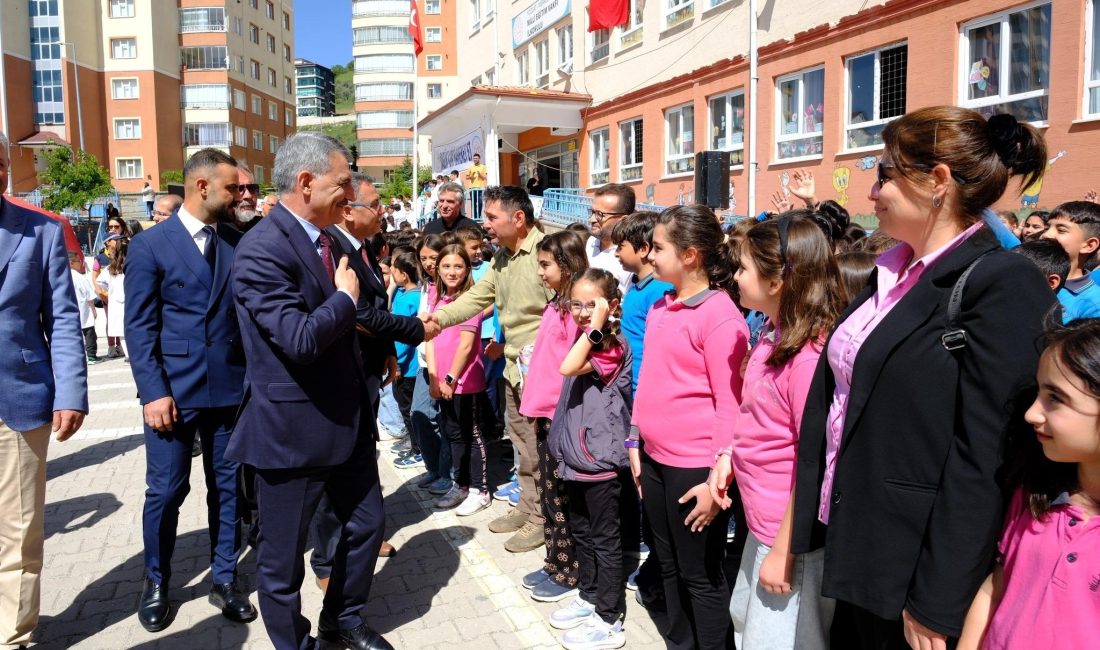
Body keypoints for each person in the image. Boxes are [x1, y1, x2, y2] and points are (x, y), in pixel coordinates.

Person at [790, 108, 1055, 650]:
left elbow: (987, 452)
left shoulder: (1002, 282)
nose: (872, 192)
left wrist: (939, 596)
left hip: (913, 567)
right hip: (859, 540)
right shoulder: (891, 272)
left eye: (885, 173)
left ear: (937, 181)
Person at [228, 132, 393, 650]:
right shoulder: (261, 249)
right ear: (306, 182)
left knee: (367, 526)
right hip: (293, 433)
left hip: (346, 422)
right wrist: (344, 301)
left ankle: (343, 620)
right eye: (342, 182)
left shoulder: (331, 238)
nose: (351, 193)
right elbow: (299, 339)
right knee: (281, 563)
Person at [124, 148, 255, 632]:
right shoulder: (151, 245)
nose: (238, 196)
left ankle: (225, 578)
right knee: (166, 491)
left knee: (226, 491)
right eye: (230, 188)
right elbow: (139, 328)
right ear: (202, 188)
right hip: (172, 397)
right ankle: (156, 581)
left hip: (227, 390)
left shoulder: (234, 243)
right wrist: (153, 392)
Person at [711, 213, 846, 649]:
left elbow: (816, 461)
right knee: (747, 623)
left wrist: (785, 552)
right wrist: (729, 457)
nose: (735, 276)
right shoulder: (773, 333)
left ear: (777, 281)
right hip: (764, 524)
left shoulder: (807, 359)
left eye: (743, 268)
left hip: (791, 541)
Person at [628, 204, 750, 649]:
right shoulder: (663, 306)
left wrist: (719, 476)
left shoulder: (719, 316)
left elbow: (731, 403)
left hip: (695, 469)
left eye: (658, 247)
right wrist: (635, 438)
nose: (650, 255)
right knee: (667, 563)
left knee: (700, 574)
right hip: (655, 461)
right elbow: (651, 384)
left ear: (691, 255)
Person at [422, 186, 555, 554]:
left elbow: (563, 314)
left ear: (518, 218)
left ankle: (543, 519)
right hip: (512, 369)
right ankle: (528, 508)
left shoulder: (548, 253)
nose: (486, 224)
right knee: (520, 445)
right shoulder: (501, 259)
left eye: (493, 217)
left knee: (539, 449)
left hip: (541, 373)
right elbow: (476, 299)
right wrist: (435, 320)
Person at [310, 173, 425, 589]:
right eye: (374, 204)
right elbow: (355, 313)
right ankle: (325, 560)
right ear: (348, 210)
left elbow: (375, 303)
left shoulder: (363, 246)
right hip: (344, 375)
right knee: (336, 467)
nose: (382, 212)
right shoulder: (331, 250)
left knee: (364, 459)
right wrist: (413, 329)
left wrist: (389, 351)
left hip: (368, 372)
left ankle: (366, 533)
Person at [957, 319, 1100, 650]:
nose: (1032, 413)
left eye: (1056, 399)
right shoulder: (1035, 494)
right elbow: (997, 586)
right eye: (1039, 392)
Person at [0, 129, 88, 650]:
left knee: (19, 530)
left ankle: (13, 636)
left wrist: (71, 393)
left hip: (19, 401)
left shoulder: (40, 232)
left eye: (1, 164)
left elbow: (62, 319)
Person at [548, 268, 633, 650]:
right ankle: (589, 594)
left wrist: (596, 326)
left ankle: (609, 618)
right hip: (575, 461)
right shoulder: (587, 342)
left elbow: (567, 367)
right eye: (576, 304)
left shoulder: (611, 346)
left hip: (600, 464)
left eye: (591, 304)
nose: (582, 312)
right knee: (581, 533)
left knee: (605, 541)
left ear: (611, 305)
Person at [519, 230, 590, 602]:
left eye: (545, 265)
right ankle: (554, 561)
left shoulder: (576, 311)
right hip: (546, 414)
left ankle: (568, 571)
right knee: (549, 494)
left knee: (560, 497)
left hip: (561, 417)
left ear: (567, 264)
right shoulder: (556, 305)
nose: (541, 272)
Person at [426, 244, 490, 514]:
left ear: (468, 269)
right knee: (453, 435)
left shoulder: (470, 300)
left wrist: (450, 378)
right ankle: (460, 484)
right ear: (437, 269)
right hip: (441, 380)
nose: (452, 272)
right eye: (446, 266)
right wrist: (433, 377)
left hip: (464, 380)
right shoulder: (435, 297)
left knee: (471, 434)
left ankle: (480, 489)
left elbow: (466, 345)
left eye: (458, 266)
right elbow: (429, 340)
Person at [611, 212, 673, 391]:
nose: (616, 253)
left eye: (621, 246)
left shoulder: (660, 290)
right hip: (627, 383)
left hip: (642, 387)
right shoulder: (636, 284)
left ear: (644, 249)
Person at [1041, 201, 1100, 321]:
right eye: (1048, 227)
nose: (1046, 235)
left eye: (1061, 230)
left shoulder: (1094, 305)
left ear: (1089, 245)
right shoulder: (1030, 272)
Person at [587, 184, 634, 295]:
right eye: (592, 212)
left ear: (623, 219)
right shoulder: (590, 242)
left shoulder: (630, 256)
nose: (592, 219)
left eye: (600, 214)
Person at [96, 234, 129, 361]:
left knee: (122, 332)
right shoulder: (130, 264)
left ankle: (128, 355)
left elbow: (99, 282)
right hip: (127, 300)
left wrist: (107, 293)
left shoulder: (111, 268)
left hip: (117, 301)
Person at [70, 251, 100, 364]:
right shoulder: (79, 277)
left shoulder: (62, 277)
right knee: (89, 332)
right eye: (79, 261)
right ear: (71, 262)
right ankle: (91, 355)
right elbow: (89, 296)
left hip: (70, 310)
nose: (81, 264)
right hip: (83, 308)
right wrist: (93, 309)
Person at [233, 166, 262, 233]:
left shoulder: (266, 228)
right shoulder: (214, 232)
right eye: (239, 188)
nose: (248, 195)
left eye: (252, 188)